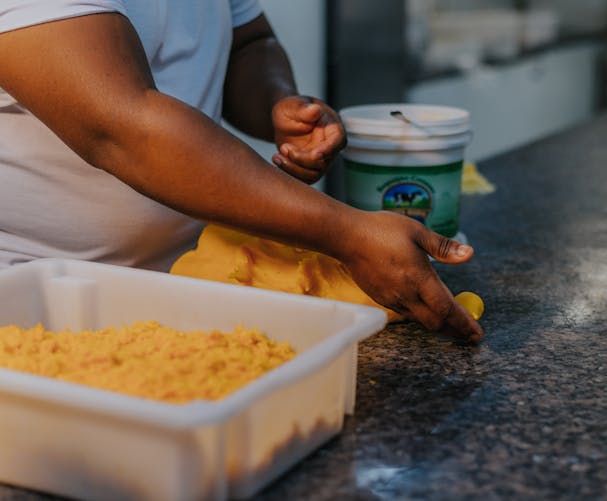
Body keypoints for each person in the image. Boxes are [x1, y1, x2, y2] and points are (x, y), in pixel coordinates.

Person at [0, 1, 482, 342]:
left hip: (187, 282)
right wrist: (346, 232)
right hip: (34, 297)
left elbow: (249, 41)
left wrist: (278, 102)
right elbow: (120, 127)